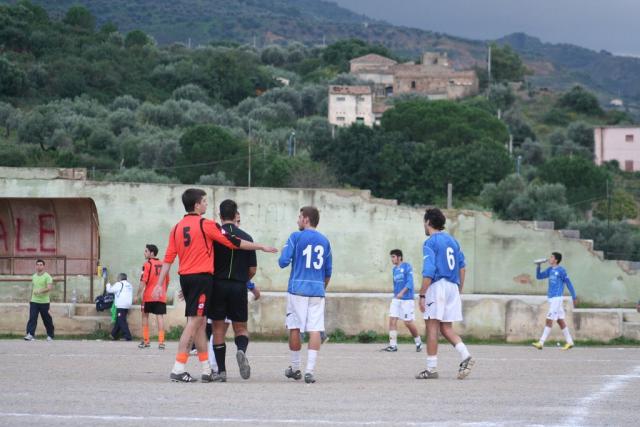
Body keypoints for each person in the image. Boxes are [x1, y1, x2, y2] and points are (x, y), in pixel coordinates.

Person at [153, 188, 277, 383]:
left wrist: (159, 284)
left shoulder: (176, 227)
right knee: (195, 323)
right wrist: (260, 246)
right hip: (202, 278)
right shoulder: (206, 224)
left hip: (187, 278)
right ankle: (178, 367)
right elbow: (233, 242)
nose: (206, 204)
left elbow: (168, 257)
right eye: (204, 201)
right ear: (196, 205)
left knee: (201, 324)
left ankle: (207, 369)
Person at [417, 208, 474, 380]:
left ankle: (431, 369)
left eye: (424, 222)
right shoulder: (453, 241)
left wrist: (422, 295)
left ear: (428, 222)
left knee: (432, 326)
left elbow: (429, 270)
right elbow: (462, 267)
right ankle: (466, 356)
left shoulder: (430, 242)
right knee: (446, 327)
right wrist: (458, 290)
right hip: (453, 286)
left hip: (438, 286)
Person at [279, 206, 332, 384]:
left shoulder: (295, 237)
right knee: (315, 328)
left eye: (299, 217)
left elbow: (283, 262)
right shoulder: (325, 241)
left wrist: (285, 253)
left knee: (295, 327)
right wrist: (321, 288)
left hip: (297, 289)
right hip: (317, 290)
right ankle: (310, 371)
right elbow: (328, 272)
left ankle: (295, 368)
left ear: (306, 219)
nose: (298, 220)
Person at [209, 199, 260, 382]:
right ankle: (241, 350)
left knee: (218, 329)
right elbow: (252, 269)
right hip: (238, 286)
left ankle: (221, 371)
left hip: (218, 285)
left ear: (220, 215)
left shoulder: (215, 236)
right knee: (241, 328)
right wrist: (243, 279)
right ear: (235, 214)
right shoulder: (247, 237)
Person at [532, 252, 578, 350]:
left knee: (549, 319)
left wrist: (574, 297)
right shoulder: (550, 270)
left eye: (552, 257)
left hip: (557, 298)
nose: (550, 258)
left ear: (556, 260)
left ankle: (541, 342)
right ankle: (570, 342)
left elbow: (569, 283)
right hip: (551, 298)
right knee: (560, 320)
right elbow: (539, 276)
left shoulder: (561, 271)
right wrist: (538, 266)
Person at [381, 249, 423, 352]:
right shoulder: (394, 270)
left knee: (408, 322)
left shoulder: (407, 266)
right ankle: (393, 345)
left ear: (399, 257)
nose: (392, 259)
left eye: (393, 257)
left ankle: (418, 342)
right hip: (396, 299)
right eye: (391, 257)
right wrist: (396, 295)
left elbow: (410, 283)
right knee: (392, 320)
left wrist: (402, 293)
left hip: (407, 299)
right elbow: (395, 284)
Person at [137, 244, 169, 350]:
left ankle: (146, 341)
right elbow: (167, 280)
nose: (144, 253)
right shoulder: (164, 264)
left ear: (152, 253)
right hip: (160, 295)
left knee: (145, 316)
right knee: (160, 317)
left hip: (149, 296)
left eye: (146, 251)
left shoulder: (147, 264)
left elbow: (143, 281)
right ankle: (161, 342)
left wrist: (138, 294)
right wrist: (163, 292)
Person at [24, 259, 55, 341]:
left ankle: (50, 335)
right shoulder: (34, 276)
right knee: (32, 318)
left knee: (47, 319)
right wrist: (30, 298)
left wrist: (40, 291)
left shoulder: (47, 276)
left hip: (44, 302)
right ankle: (30, 334)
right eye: (37, 265)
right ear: (36, 266)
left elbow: (49, 288)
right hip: (34, 301)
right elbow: (33, 288)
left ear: (44, 266)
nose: (39, 266)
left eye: (41, 265)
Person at [106, 273, 134, 341]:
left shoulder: (119, 284)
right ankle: (113, 334)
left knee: (121, 321)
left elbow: (109, 290)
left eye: (118, 278)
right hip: (127, 305)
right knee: (119, 320)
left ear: (120, 278)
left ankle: (128, 336)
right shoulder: (129, 285)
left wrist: (108, 284)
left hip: (121, 305)